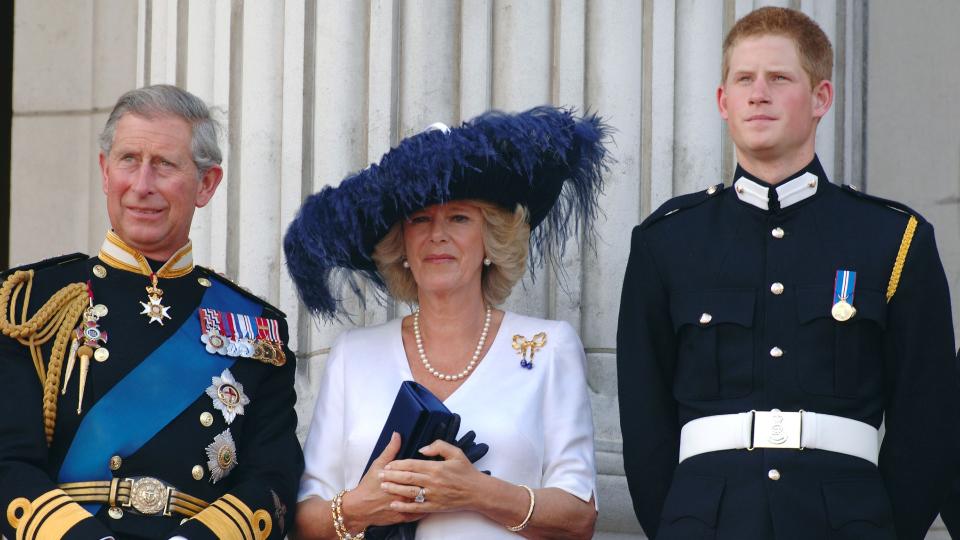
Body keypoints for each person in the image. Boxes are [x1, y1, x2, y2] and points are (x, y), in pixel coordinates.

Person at [616, 7, 959, 540]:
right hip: (704, 521)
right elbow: (645, 421)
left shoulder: (894, 239)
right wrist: (677, 524)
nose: (759, 94)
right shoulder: (666, 240)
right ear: (723, 102)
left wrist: (884, 528)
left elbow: (927, 418)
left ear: (821, 98)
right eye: (744, 80)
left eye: (779, 78)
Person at [286, 107, 608, 539]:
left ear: (491, 239)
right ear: (401, 246)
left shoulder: (548, 346)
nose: (437, 235)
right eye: (420, 219)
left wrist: (474, 492)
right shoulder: (352, 354)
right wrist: (365, 505)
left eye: (458, 217)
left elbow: (579, 517)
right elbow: (305, 521)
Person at [0, 85, 302, 540]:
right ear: (105, 171)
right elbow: (8, 461)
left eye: (164, 164)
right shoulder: (31, 304)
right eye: (128, 160)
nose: (142, 185)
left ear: (206, 183)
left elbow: (273, 479)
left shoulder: (257, 330)